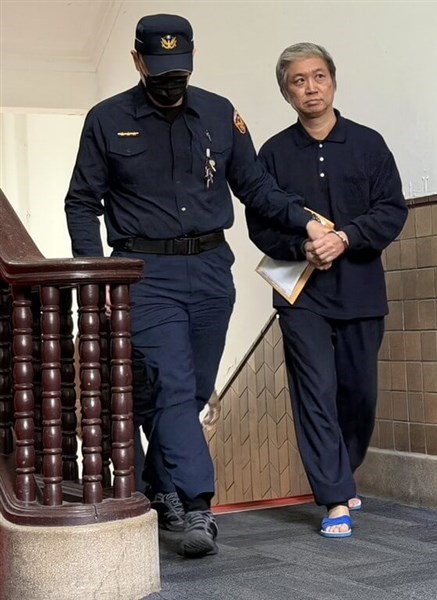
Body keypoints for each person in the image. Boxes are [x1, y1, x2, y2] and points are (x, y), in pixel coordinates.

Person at [64, 15, 326, 558]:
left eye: (178, 74)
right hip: (145, 272)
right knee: (176, 388)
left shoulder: (217, 112)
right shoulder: (106, 120)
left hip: (210, 269)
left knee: (189, 392)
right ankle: (194, 505)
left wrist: (305, 220)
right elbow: (82, 202)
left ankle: (155, 486)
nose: (169, 84)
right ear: (137, 61)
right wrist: (97, 277)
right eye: (159, 73)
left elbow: (253, 185)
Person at [246, 42, 407, 538]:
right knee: (313, 393)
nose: (310, 87)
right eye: (299, 80)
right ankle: (335, 498)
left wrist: (345, 238)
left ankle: (345, 467)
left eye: (318, 77)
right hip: (303, 297)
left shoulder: (369, 144)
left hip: (360, 290)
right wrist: (304, 246)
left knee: (358, 393)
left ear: (333, 81)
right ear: (286, 91)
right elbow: (261, 225)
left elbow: (391, 210)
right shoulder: (272, 154)